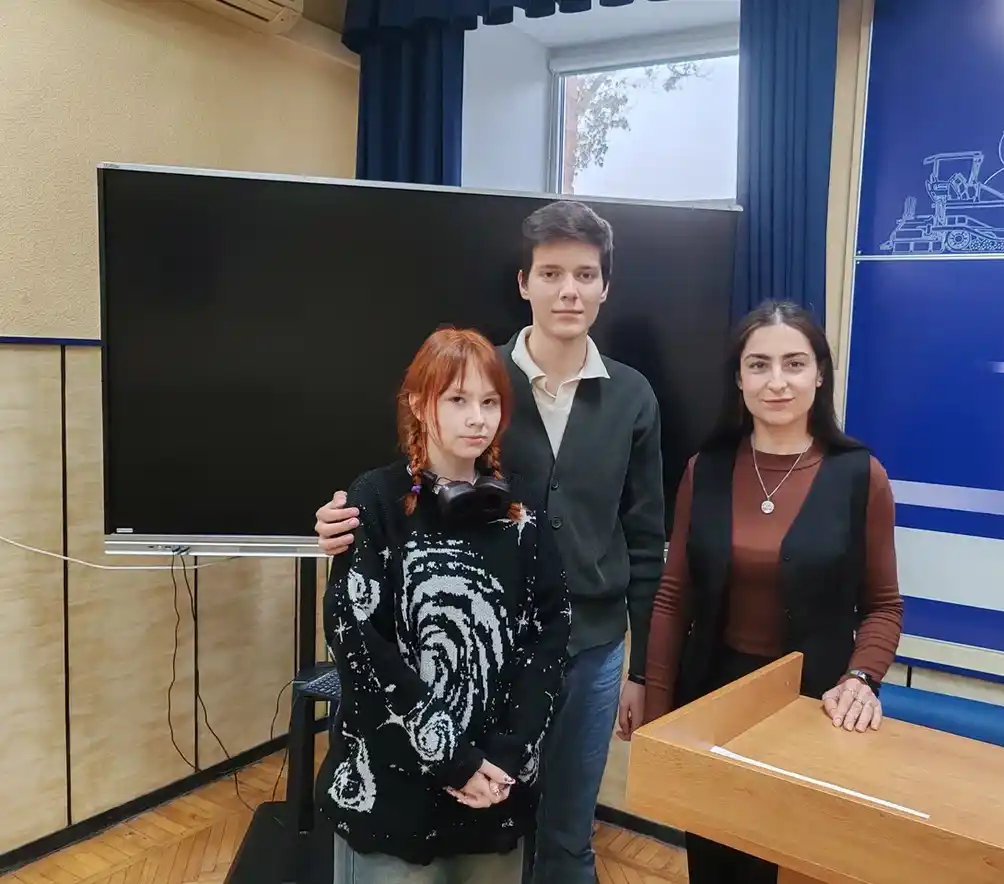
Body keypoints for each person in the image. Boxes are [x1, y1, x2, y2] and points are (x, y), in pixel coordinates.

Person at [314, 200, 666, 884]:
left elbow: (647, 536)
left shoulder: (633, 397)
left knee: (567, 832)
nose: (569, 291)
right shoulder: (477, 375)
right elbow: (403, 480)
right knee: (487, 814)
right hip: (489, 655)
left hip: (590, 647)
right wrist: (338, 521)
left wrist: (645, 669)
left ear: (605, 287)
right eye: (551, 273)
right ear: (524, 282)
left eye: (585, 275)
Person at [641, 301, 904, 884]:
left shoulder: (860, 475)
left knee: (787, 864)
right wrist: (659, 719)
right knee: (716, 865)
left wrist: (862, 679)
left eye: (794, 363)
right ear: (739, 379)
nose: (776, 381)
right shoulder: (705, 469)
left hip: (812, 708)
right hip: (712, 703)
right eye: (758, 365)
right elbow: (673, 598)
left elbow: (884, 606)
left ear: (820, 375)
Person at [316, 327, 571, 884]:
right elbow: (361, 644)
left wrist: (506, 754)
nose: (477, 419)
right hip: (393, 797)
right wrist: (452, 759)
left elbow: (549, 635)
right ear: (417, 404)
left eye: (489, 402)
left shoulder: (521, 510)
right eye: (457, 400)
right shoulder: (374, 500)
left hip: (494, 790)